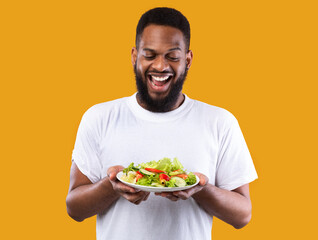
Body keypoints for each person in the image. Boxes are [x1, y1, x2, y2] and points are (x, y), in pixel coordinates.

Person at [66, 7, 257, 240]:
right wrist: (112, 186)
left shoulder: (220, 122)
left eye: (172, 57)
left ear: (187, 60)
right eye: (150, 55)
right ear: (135, 57)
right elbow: (74, 208)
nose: (160, 66)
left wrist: (200, 189)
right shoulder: (98, 117)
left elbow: (243, 215)